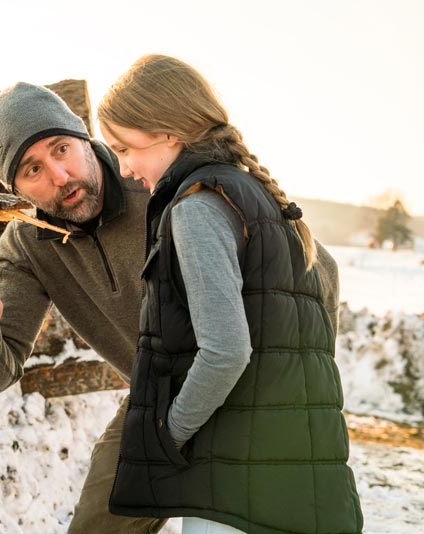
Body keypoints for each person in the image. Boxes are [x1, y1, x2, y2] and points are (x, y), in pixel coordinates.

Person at [97, 54, 363, 534]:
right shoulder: (256, 197)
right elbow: (325, 268)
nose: (124, 167)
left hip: (231, 482)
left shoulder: (197, 207)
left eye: (125, 148)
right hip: (291, 469)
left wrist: (169, 436)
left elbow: (225, 353)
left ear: (169, 131)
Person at [0, 81, 165, 533]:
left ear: (84, 137)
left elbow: (306, 260)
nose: (59, 176)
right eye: (32, 169)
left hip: (242, 380)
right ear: (17, 188)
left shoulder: (155, 181)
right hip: (156, 402)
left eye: (61, 149)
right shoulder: (28, 246)